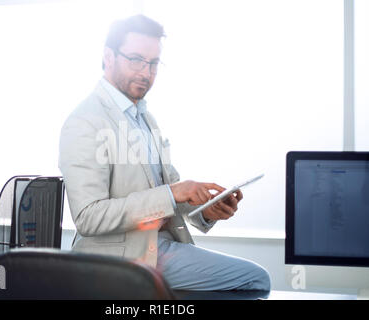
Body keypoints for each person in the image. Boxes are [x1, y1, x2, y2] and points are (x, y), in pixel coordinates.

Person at [59, 14, 270, 291]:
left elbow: (168, 196)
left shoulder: (145, 118)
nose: (146, 73)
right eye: (135, 59)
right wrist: (174, 193)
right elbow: (89, 217)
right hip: (119, 259)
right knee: (256, 279)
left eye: (153, 63)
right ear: (108, 56)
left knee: (249, 280)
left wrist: (207, 210)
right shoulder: (85, 122)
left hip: (159, 247)